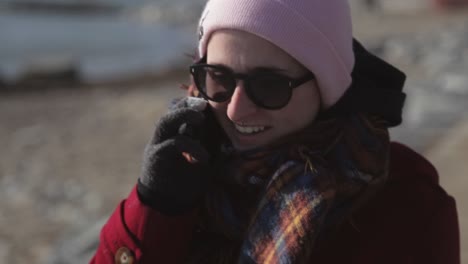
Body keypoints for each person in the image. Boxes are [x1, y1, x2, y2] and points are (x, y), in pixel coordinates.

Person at [90, 0, 460, 263]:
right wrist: (155, 209)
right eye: (218, 78)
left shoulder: (407, 203)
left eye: (269, 86)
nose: (236, 108)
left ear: (326, 86)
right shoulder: (184, 164)